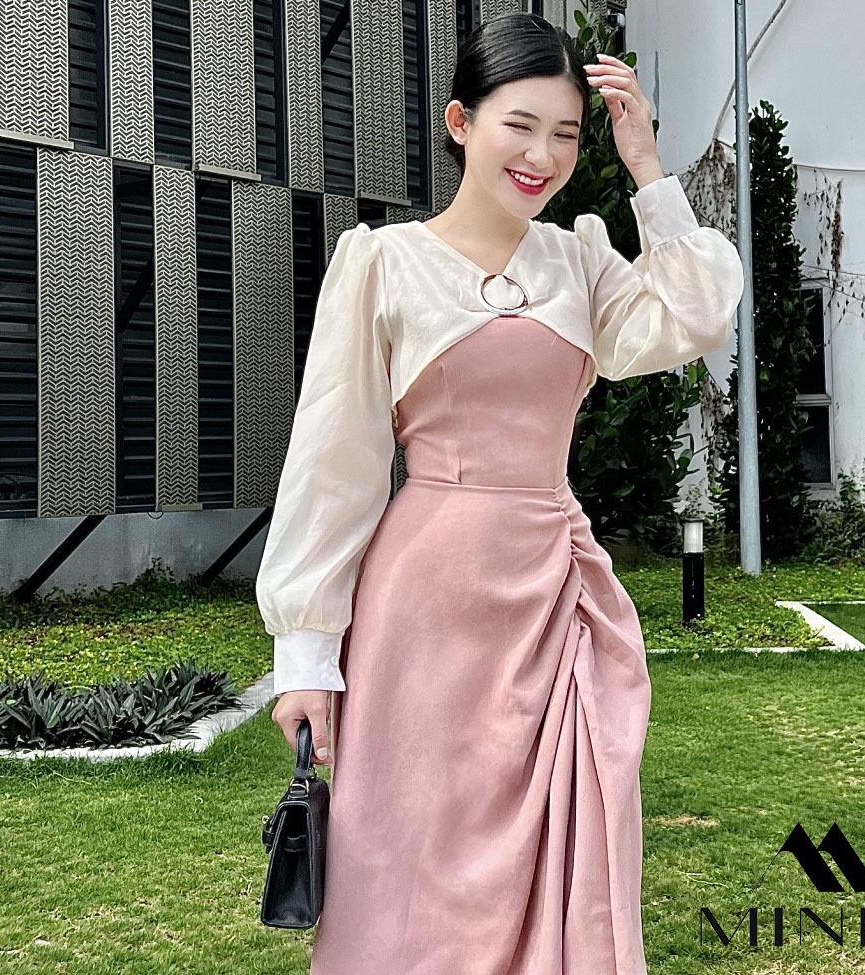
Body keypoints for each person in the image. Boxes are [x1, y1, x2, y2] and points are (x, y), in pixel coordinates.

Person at [255, 12, 744, 974]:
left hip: (554, 593)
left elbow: (693, 317)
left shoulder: (580, 259)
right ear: (460, 122)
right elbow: (333, 459)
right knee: (411, 850)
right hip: (423, 608)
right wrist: (304, 653)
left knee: (575, 833)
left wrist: (646, 167)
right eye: (519, 125)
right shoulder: (383, 263)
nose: (542, 156)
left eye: (564, 133)